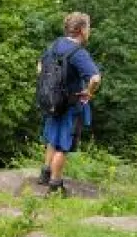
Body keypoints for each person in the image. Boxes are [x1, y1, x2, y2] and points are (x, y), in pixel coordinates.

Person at [38, 12, 101, 195]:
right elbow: (95, 78)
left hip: (52, 102)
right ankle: (55, 185)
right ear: (81, 30)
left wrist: (50, 88)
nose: (89, 32)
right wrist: (89, 92)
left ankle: (45, 173)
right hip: (71, 106)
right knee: (63, 146)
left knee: (52, 139)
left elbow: (40, 66)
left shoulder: (55, 45)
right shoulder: (78, 53)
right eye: (88, 28)